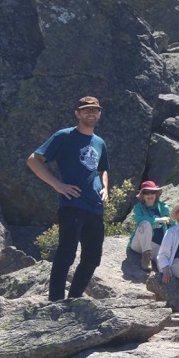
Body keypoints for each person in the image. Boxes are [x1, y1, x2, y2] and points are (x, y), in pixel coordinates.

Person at [27, 96, 109, 301]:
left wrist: (106, 188)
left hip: (95, 208)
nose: (91, 113)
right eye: (86, 110)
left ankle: (73, 300)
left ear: (99, 114)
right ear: (78, 114)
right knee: (66, 254)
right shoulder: (64, 136)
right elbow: (33, 160)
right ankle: (55, 301)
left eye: (95, 110)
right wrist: (57, 185)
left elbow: (102, 170)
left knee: (92, 258)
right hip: (72, 205)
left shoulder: (99, 142)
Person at [127, 181, 170, 270]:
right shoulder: (138, 207)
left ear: (156, 194)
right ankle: (146, 259)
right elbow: (138, 219)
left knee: (164, 265)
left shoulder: (163, 207)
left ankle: (160, 282)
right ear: (142, 195)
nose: (150, 195)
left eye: (152, 192)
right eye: (146, 193)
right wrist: (158, 220)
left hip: (156, 245)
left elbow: (171, 223)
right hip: (139, 244)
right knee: (145, 224)